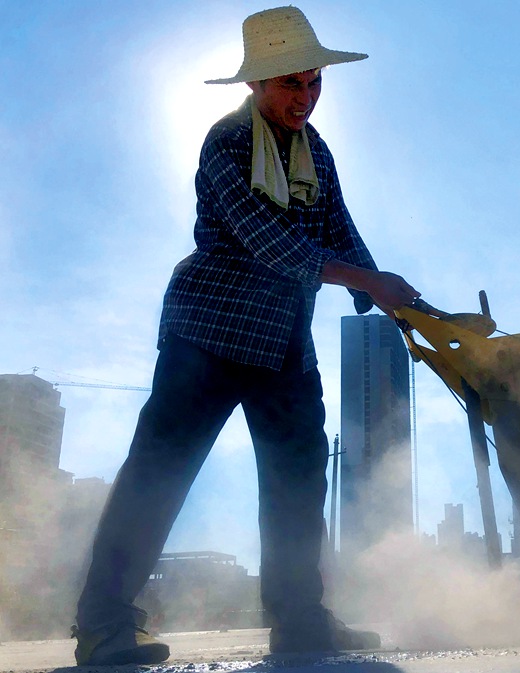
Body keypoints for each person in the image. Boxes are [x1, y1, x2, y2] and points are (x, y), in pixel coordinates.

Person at [71, 6, 419, 666]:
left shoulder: (316, 152)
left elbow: (339, 230)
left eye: (314, 81)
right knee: (158, 475)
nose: (305, 97)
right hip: (207, 331)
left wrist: (386, 291)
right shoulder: (226, 141)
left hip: (284, 340)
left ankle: (300, 620)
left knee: (298, 481)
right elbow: (264, 240)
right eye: (291, 83)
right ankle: (104, 623)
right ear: (257, 85)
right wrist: (362, 280)